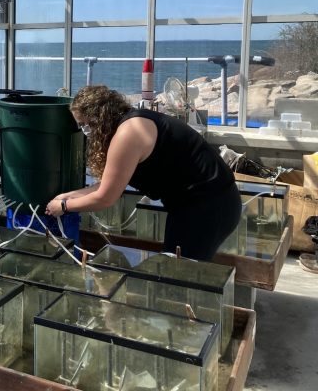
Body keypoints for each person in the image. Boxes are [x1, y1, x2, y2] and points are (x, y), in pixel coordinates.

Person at [45, 85, 241, 261]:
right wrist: (68, 196)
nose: (85, 130)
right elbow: (108, 185)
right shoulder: (133, 121)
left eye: (85, 124)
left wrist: (64, 206)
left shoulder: (128, 134)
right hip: (198, 204)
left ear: (99, 118)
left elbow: (105, 198)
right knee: (176, 268)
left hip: (207, 207)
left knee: (180, 277)